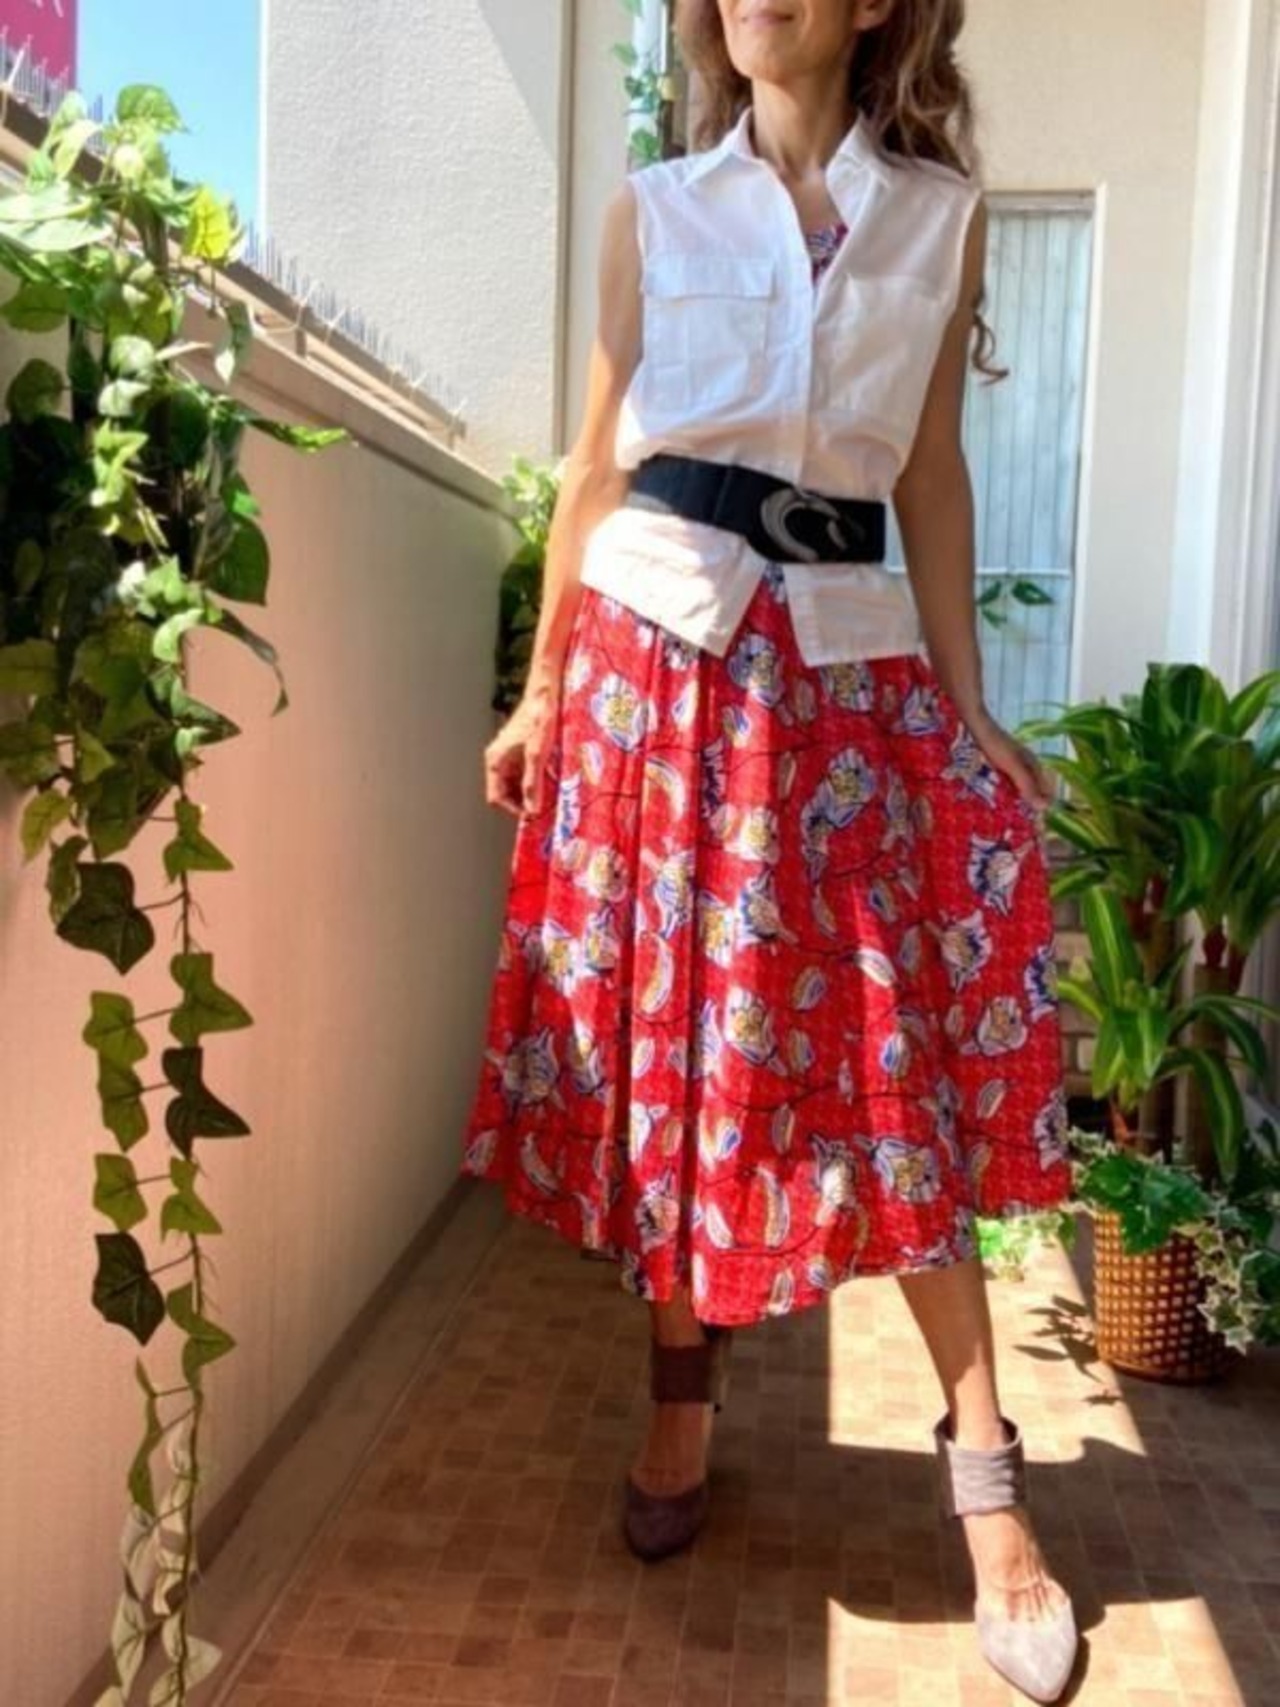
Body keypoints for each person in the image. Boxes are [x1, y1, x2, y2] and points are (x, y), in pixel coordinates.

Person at [461, 2, 1078, 1700]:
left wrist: (970, 704)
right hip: (662, 660)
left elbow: (930, 474)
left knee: (896, 1062)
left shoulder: (940, 219)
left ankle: (988, 1481)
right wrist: (539, 691)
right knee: (687, 1066)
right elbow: (596, 470)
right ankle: (681, 1405)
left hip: (850, 663)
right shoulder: (654, 209)